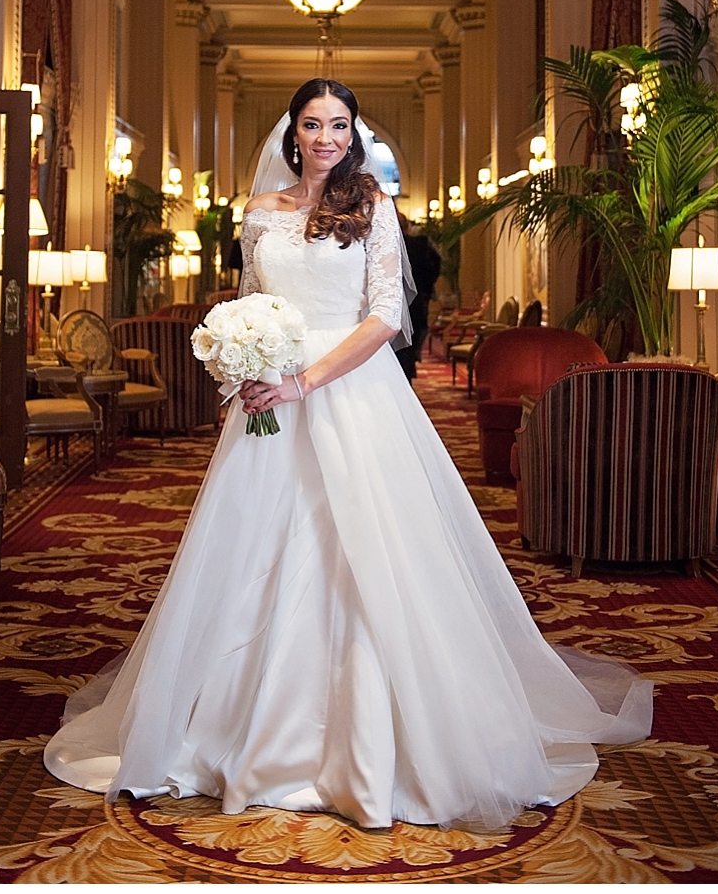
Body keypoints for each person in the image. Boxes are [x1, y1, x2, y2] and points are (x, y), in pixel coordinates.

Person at [43, 78, 651, 832]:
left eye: (338, 124)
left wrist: (304, 380)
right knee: (257, 554)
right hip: (269, 401)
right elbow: (246, 301)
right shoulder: (259, 213)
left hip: (351, 395)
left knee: (365, 551)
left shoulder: (373, 206)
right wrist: (243, 365)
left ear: (352, 132)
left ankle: (375, 738)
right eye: (312, 124)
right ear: (291, 134)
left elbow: (386, 315)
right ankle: (239, 723)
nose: (325, 136)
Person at [395, 210, 442, 383]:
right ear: (407, 227)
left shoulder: (381, 245)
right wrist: (426, 288)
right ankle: (408, 372)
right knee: (410, 343)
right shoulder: (421, 244)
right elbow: (435, 265)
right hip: (416, 302)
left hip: (388, 304)